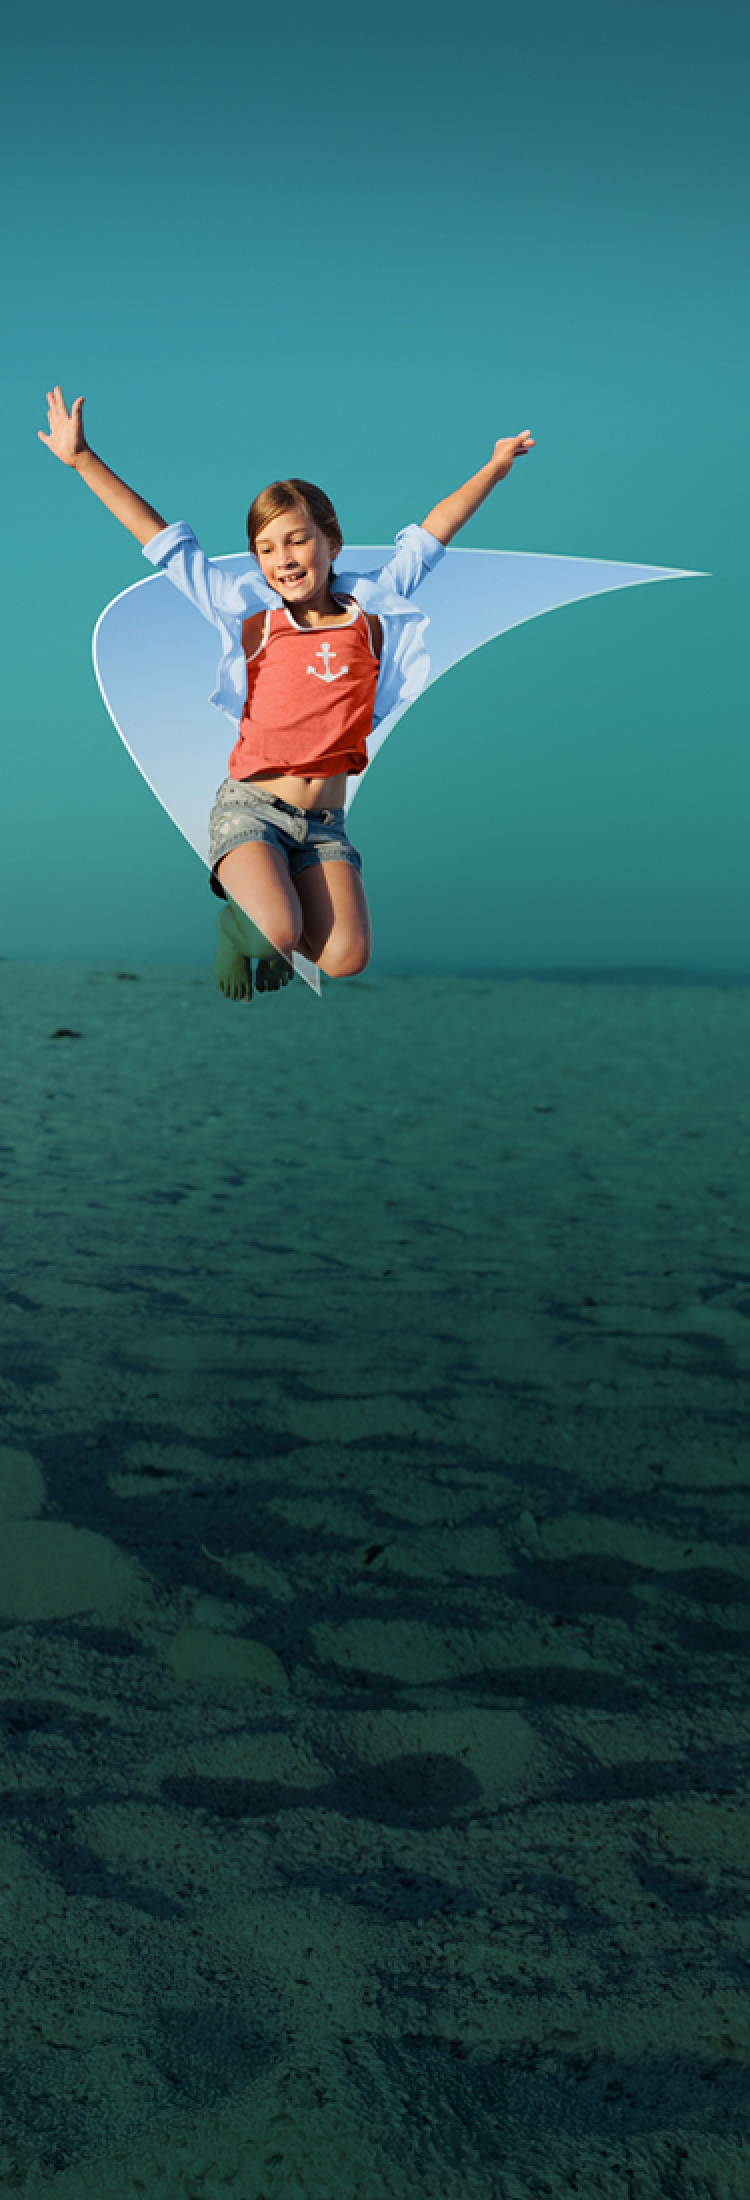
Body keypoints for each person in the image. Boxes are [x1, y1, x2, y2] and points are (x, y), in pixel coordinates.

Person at [38, 388, 533, 999]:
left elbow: (435, 532)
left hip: (325, 825)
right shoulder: (248, 615)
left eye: (298, 540)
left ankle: (270, 929)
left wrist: (493, 468)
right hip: (252, 810)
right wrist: (83, 458)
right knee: (276, 927)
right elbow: (162, 541)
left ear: (332, 542)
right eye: (266, 549)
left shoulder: (372, 610)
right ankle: (240, 927)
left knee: (346, 957)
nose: (284, 559)